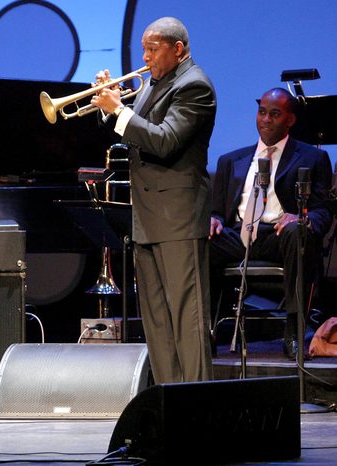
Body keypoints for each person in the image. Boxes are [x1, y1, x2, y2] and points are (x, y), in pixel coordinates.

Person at [90, 17, 216, 383]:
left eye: (152, 49)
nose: (145, 57)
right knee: (157, 322)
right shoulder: (154, 84)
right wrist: (105, 105)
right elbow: (135, 132)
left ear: (178, 49)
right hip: (146, 217)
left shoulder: (195, 86)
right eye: (143, 48)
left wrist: (119, 109)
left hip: (178, 217)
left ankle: (197, 405)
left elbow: (164, 140)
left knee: (186, 319)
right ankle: (168, 402)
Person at [209, 87, 333, 359]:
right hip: (239, 235)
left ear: (290, 120)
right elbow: (217, 212)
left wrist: (302, 218)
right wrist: (214, 221)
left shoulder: (313, 158)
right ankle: (205, 331)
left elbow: (323, 211)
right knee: (199, 237)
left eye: (275, 114)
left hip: (279, 236)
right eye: (262, 112)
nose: (265, 119)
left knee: (295, 231)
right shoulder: (231, 160)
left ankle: (293, 329)